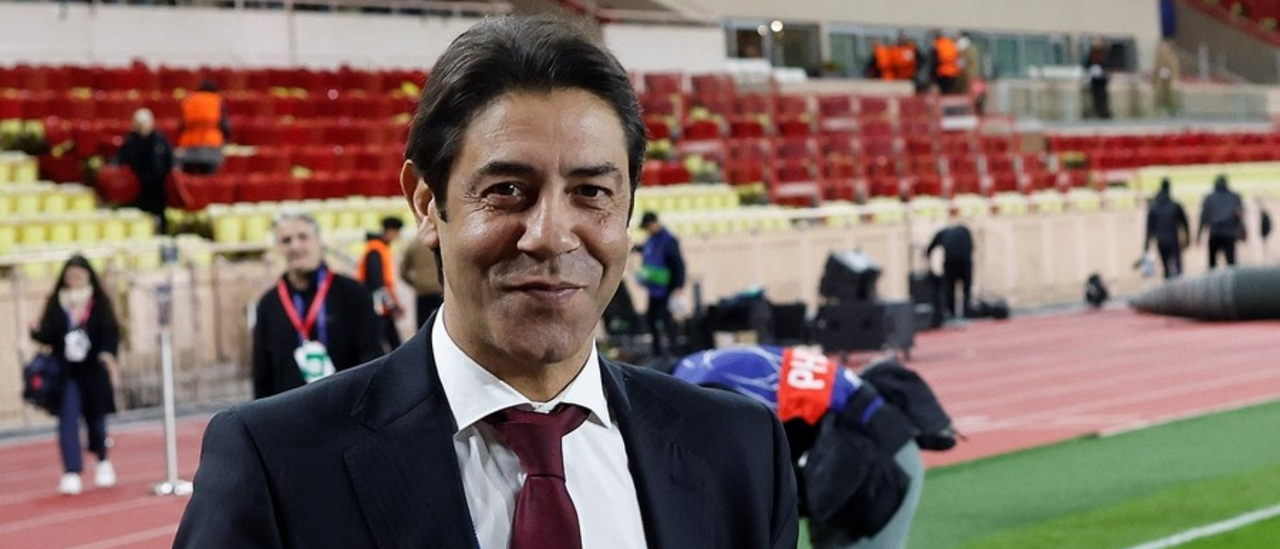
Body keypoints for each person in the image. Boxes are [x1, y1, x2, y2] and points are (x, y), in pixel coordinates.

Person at [175, 16, 798, 549]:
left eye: (591, 192)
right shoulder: (275, 464)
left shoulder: (739, 452)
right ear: (427, 204)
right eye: (507, 190)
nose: (551, 236)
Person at [671, 346, 955, 549]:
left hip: (879, 463)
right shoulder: (699, 370)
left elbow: (744, 486)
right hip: (852, 453)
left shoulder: (699, 396)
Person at [249, 211, 382, 399]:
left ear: (319, 241)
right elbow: (262, 372)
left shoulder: (354, 293)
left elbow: (371, 357)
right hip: (289, 411)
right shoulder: (268, 305)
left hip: (345, 407)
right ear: (278, 248)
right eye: (286, 240)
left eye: (303, 237)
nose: (295, 246)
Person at [30, 255, 121, 496]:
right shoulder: (57, 303)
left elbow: (111, 332)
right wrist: (36, 331)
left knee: (96, 418)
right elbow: (48, 334)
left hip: (93, 369)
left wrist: (107, 354)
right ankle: (71, 470)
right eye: (71, 276)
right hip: (66, 370)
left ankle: (102, 458)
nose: (75, 280)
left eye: (79, 276)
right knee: (67, 418)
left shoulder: (99, 303)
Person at [114, 108, 174, 233]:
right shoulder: (130, 142)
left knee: (158, 215)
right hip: (137, 187)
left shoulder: (160, 140)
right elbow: (122, 162)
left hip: (158, 186)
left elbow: (169, 160)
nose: (143, 127)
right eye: (139, 124)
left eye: (145, 124)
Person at [637, 210, 686, 357]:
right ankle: (657, 350)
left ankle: (674, 350)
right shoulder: (652, 240)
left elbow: (678, 265)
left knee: (666, 319)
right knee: (651, 318)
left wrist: (678, 286)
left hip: (667, 287)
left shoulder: (668, 240)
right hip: (655, 288)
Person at [356, 216, 406, 351]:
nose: (398, 236)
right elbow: (376, 282)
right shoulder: (376, 251)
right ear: (390, 231)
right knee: (386, 342)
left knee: (391, 341)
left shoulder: (380, 249)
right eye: (397, 232)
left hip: (381, 304)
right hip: (377, 305)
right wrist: (391, 305)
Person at [926, 212, 975, 320]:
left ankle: (951, 312)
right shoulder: (964, 230)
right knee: (966, 288)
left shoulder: (944, 232)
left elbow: (930, 248)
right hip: (964, 262)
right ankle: (966, 312)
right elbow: (972, 247)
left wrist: (928, 261)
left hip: (951, 262)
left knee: (950, 288)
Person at [176, 79, 230, 174]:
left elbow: (181, 125)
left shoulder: (189, 100)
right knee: (210, 180)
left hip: (189, 146)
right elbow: (224, 126)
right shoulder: (217, 101)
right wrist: (226, 140)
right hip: (212, 147)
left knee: (190, 179)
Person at [1145, 178, 1190, 279]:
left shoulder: (1154, 208)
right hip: (1173, 239)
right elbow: (1184, 223)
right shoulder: (1175, 206)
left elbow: (1149, 228)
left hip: (1160, 240)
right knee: (1178, 267)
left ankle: (1168, 281)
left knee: (1166, 268)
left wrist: (1146, 246)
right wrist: (1187, 239)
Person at [1197, 175, 1245, 268]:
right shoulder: (1234, 197)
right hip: (1229, 233)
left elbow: (1204, 217)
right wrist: (1241, 228)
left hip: (1215, 233)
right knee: (1231, 263)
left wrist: (1199, 234)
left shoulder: (1210, 198)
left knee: (1212, 264)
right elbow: (1239, 214)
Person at [399, 234, 444, 329]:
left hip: (422, 291)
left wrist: (415, 283)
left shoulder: (413, 245)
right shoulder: (440, 242)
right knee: (443, 324)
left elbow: (403, 272)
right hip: (439, 289)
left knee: (422, 325)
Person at [1085, 36, 1112, 119]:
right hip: (1094, 80)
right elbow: (1088, 64)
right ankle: (1096, 111)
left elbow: (1107, 65)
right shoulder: (1092, 53)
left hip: (1102, 79)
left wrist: (1105, 72)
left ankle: (1104, 112)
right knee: (1095, 96)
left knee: (1102, 96)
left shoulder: (1105, 53)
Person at [1153, 39, 1180, 117]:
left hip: (1169, 79)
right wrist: (1154, 80)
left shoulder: (1171, 57)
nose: (1163, 49)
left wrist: (1173, 79)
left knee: (1171, 95)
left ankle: (1173, 111)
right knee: (1160, 94)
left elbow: (1174, 68)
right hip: (1161, 80)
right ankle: (1159, 110)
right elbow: (1156, 69)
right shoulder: (1158, 57)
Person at [931, 30, 960, 95]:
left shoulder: (937, 44)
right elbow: (957, 57)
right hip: (953, 72)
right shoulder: (952, 43)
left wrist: (932, 75)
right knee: (949, 92)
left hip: (942, 72)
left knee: (943, 92)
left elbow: (934, 60)